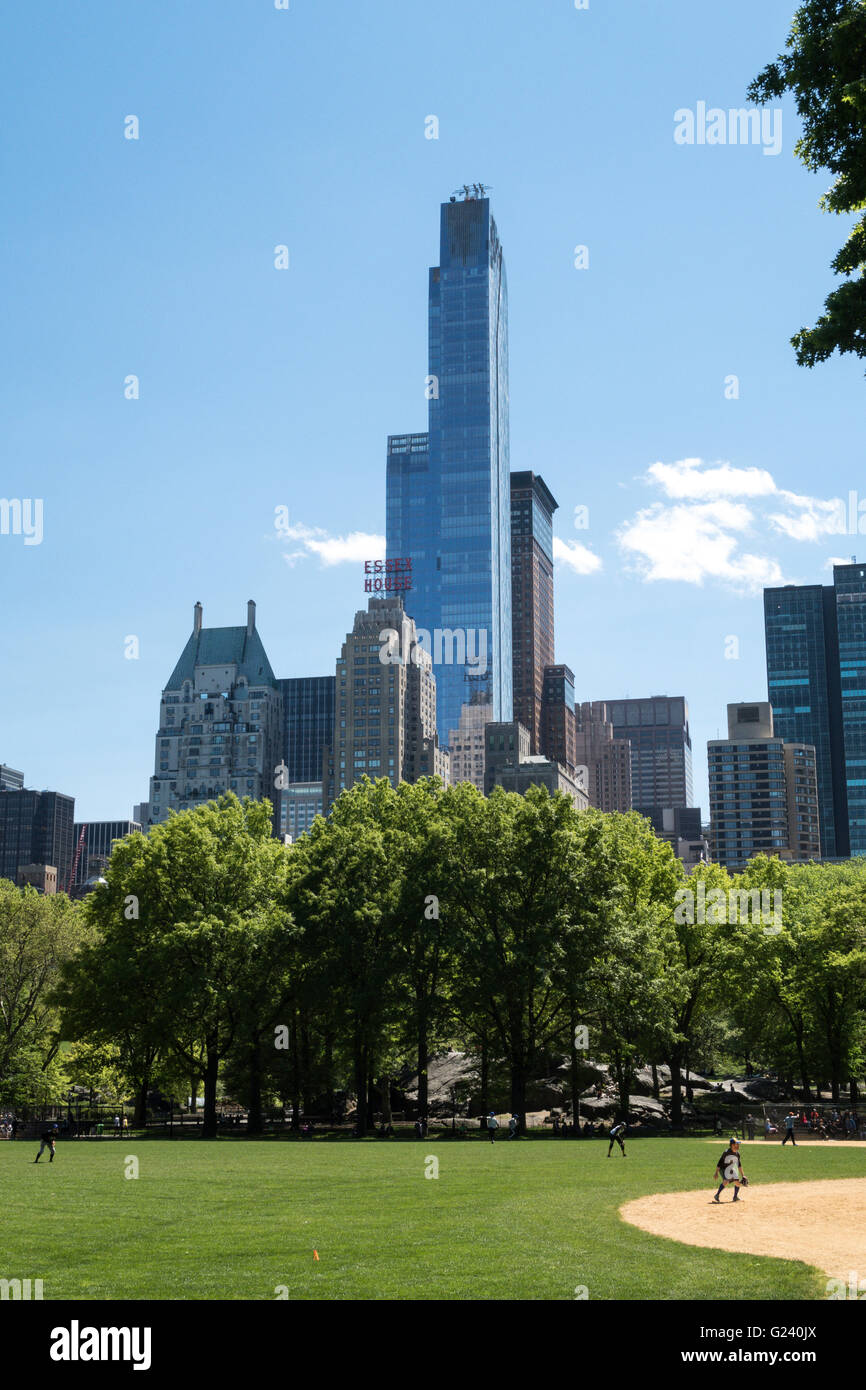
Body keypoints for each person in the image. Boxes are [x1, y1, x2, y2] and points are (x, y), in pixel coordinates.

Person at [713, 1137, 747, 1202]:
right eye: (736, 1144)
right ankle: (717, 1195)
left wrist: (743, 1175)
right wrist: (716, 1172)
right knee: (726, 1181)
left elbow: (739, 1165)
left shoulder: (737, 1154)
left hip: (730, 1168)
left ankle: (735, 1197)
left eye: (738, 1144)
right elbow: (720, 1162)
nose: (738, 1146)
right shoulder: (726, 1152)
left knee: (737, 1182)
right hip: (723, 1168)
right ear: (732, 1145)